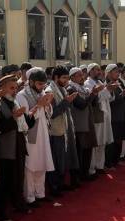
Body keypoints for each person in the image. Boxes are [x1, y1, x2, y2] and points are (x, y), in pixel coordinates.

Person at [0, 75, 34, 221]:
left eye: (16, 88)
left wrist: (30, 114)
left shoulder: (13, 101)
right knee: (4, 179)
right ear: (1, 88)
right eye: (11, 88)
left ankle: (18, 203)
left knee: (18, 176)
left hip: (18, 143)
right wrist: (13, 117)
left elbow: (24, 122)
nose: (15, 91)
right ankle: (2, 211)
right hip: (5, 147)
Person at [16, 68, 54, 207]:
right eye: (39, 84)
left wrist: (48, 105)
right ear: (31, 82)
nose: (42, 87)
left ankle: (40, 193)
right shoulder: (22, 95)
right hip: (31, 135)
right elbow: (26, 118)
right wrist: (39, 105)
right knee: (30, 166)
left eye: (43, 84)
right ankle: (30, 197)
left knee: (42, 163)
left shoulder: (42, 92)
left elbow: (48, 112)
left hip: (43, 133)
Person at [46, 66, 79, 197]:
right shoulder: (50, 91)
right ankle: (54, 188)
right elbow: (52, 113)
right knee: (56, 160)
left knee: (63, 159)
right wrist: (66, 101)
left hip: (64, 129)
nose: (66, 80)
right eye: (64, 77)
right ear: (56, 77)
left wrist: (67, 101)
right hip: (55, 131)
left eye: (67, 77)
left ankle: (60, 185)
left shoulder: (62, 89)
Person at [68, 67, 99, 182]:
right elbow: (81, 105)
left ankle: (85, 173)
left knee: (88, 149)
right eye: (79, 75)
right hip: (78, 125)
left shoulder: (83, 88)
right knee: (79, 151)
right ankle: (77, 177)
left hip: (87, 122)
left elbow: (93, 103)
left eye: (82, 75)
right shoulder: (71, 89)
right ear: (72, 77)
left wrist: (94, 94)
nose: (82, 77)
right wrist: (93, 94)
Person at [85, 63, 113, 175]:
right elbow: (95, 99)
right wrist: (107, 91)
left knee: (102, 142)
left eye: (99, 70)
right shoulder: (88, 83)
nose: (99, 72)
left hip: (104, 115)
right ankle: (92, 169)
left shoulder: (100, 82)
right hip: (96, 115)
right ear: (90, 71)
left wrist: (110, 90)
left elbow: (107, 98)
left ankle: (100, 166)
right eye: (96, 70)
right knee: (95, 143)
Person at [106, 64, 125, 167]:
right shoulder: (108, 84)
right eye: (115, 72)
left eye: (118, 72)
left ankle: (116, 160)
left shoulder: (117, 83)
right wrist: (122, 95)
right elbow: (109, 99)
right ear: (109, 73)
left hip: (121, 114)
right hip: (114, 116)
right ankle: (110, 163)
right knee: (113, 141)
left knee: (119, 140)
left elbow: (119, 96)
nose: (118, 74)